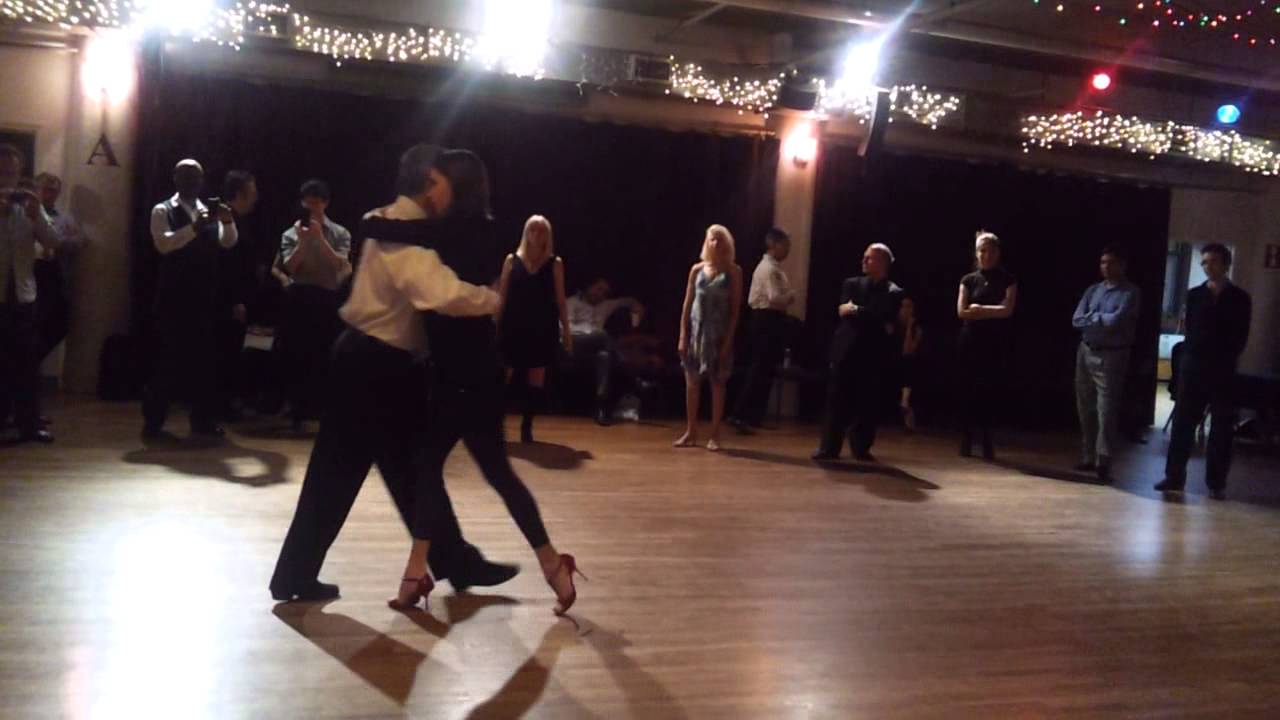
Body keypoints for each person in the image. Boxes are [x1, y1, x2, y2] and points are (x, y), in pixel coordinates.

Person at [270, 144, 517, 603]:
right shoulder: (404, 232)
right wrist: (493, 299)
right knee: (396, 471)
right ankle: (456, 562)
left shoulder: (391, 221)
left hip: (364, 361)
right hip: (376, 365)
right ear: (428, 183)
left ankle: (296, 575)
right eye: (444, 180)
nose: (450, 190)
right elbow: (438, 294)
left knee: (360, 473)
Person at [361, 149, 582, 616]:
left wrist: (371, 221)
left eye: (438, 180)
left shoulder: (471, 228)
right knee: (463, 470)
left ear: (457, 185)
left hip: (472, 373)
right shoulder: (451, 227)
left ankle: (421, 572)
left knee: (461, 469)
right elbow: (400, 230)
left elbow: (396, 229)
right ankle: (551, 567)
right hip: (453, 370)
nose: (430, 186)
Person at [143, 159, 239, 441]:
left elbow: (228, 242)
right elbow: (163, 244)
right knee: (167, 361)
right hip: (174, 295)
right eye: (186, 176)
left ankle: (203, 422)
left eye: (196, 177)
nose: (192, 182)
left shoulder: (205, 210)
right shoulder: (162, 210)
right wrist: (194, 229)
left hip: (204, 295)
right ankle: (153, 422)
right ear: (175, 178)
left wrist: (227, 220)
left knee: (205, 362)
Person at [1157, 244, 1251, 500]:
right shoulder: (1195, 295)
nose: (1208, 266)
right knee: (1183, 424)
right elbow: (1190, 328)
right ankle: (1174, 476)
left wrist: (1224, 357)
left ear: (1225, 263)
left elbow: (1240, 335)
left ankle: (1216, 482)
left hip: (1222, 370)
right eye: (1205, 262)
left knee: (1221, 427)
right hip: (1194, 366)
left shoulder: (1240, 298)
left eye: (1213, 261)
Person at [812, 243, 904, 462]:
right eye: (864, 257)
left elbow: (886, 318)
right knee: (836, 401)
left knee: (868, 403)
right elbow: (847, 313)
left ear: (882, 263)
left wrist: (858, 310)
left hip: (872, 354)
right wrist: (871, 316)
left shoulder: (894, 291)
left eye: (869, 258)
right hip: (846, 350)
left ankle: (861, 448)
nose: (863, 261)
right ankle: (829, 448)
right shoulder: (851, 284)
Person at [274, 179, 352, 429]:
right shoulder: (290, 233)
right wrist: (304, 243)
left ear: (325, 204)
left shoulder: (340, 233)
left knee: (324, 354)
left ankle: (321, 410)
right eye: (307, 205)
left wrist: (320, 240)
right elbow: (289, 266)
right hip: (300, 296)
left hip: (327, 298)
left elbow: (341, 265)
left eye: (316, 205)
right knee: (298, 353)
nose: (311, 210)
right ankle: (298, 410)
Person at [0, 145, 60, 443]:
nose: (6, 178)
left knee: (26, 363)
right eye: (2, 172)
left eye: (11, 172)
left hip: (23, 296)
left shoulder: (29, 206)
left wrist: (38, 215)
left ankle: (29, 423)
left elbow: (53, 241)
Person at [497, 215, 570, 443]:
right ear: (525, 232)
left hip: (542, 325)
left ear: (547, 235)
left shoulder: (555, 263)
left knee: (536, 376)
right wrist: (495, 324)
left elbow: (560, 299)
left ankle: (526, 426)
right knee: (504, 374)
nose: (536, 235)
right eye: (532, 230)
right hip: (513, 324)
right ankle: (495, 424)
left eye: (541, 231)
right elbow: (502, 295)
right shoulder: (511, 260)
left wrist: (566, 330)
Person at [1071, 246, 1141, 483]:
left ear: (1122, 265)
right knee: (1085, 406)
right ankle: (1088, 455)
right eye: (1102, 262)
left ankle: (1104, 461)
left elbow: (1115, 321)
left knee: (1106, 411)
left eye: (1111, 262)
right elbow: (1076, 319)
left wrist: (1093, 318)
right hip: (1086, 351)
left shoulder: (1130, 293)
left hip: (1112, 357)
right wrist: (1098, 319)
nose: (1105, 267)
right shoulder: (1093, 290)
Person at [674, 225, 743, 452]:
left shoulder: (734, 272)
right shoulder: (696, 270)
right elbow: (687, 304)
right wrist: (683, 335)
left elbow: (735, 311)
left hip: (719, 334)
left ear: (727, 244)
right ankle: (691, 431)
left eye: (720, 240)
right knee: (692, 383)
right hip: (697, 332)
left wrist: (728, 341)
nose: (716, 243)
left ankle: (715, 434)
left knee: (717, 384)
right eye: (712, 239)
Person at [956, 231, 1017, 460]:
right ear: (976, 253)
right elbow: (962, 311)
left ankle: (987, 440)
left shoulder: (1008, 280)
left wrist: (980, 310)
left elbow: (1008, 310)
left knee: (989, 390)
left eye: (990, 251)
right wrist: (992, 311)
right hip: (970, 340)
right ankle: (966, 437)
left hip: (994, 343)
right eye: (982, 251)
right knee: (967, 389)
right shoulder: (968, 280)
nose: (986, 255)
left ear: (998, 253)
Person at [727, 227, 794, 434]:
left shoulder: (775, 268)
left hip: (771, 320)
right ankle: (739, 414)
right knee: (758, 369)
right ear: (775, 245)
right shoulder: (768, 269)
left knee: (766, 370)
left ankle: (754, 416)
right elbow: (774, 298)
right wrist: (791, 297)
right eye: (785, 246)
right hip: (765, 320)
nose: (788, 250)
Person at [565, 277, 644, 425]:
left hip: (597, 349)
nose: (601, 294)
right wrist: (591, 333)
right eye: (598, 289)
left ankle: (601, 407)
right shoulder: (571, 303)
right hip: (575, 345)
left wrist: (636, 306)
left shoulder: (606, 305)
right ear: (588, 287)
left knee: (604, 356)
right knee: (602, 336)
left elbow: (627, 301)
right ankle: (633, 378)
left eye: (605, 292)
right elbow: (566, 329)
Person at [215, 170, 260, 421]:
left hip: (236, 299)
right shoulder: (228, 221)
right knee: (227, 352)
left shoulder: (239, 220)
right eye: (252, 191)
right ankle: (222, 405)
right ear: (241, 193)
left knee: (232, 351)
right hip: (230, 301)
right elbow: (229, 266)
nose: (256, 196)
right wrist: (236, 300)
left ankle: (226, 402)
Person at [32, 172, 86, 364]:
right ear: (36, 189)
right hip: (31, 271)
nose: (51, 194)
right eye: (47, 189)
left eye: (55, 190)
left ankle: (32, 359)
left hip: (54, 271)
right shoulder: (27, 213)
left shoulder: (64, 217)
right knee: (31, 321)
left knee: (60, 322)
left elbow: (79, 240)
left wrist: (57, 243)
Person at [898, 295, 923, 432]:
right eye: (903, 306)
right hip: (891, 360)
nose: (905, 310)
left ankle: (905, 402)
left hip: (906, 362)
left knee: (908, 364)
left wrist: (909, 327)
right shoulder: (892, 324)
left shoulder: (917, 329)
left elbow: (908, 351)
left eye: (909, 307)